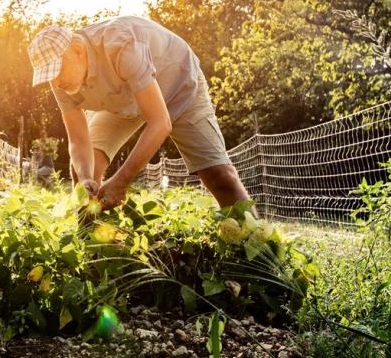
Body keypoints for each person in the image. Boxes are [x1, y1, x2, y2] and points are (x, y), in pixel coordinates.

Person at [27, 16, 252, 212]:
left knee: (220, 176)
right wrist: (85, 177)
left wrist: (121, 182)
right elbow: (78, 139)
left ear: (77, 50)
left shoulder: (120, 44)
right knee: (87, 172)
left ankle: (258, 247)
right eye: (49, 74)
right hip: (121, 101)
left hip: (176, 85)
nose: (55, 81)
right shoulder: (61, 83)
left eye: (58, 69)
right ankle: (95, 249)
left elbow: (160, 122)